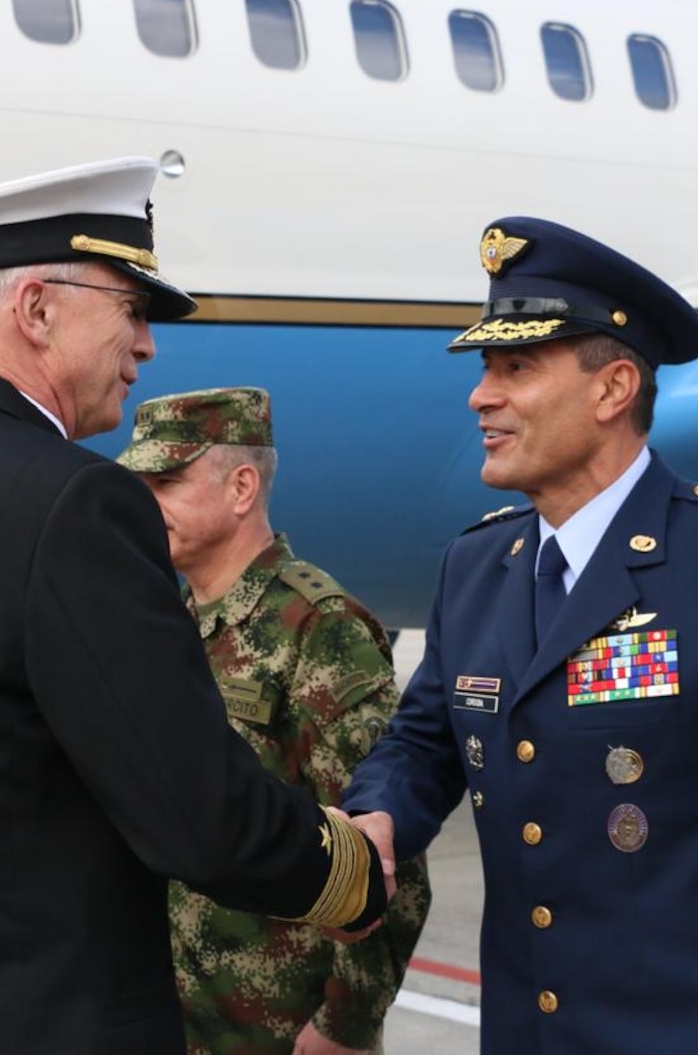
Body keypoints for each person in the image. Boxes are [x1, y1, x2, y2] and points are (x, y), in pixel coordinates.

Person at [0, 156, 388, 1055]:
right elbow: (193, 813)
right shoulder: (77, 503)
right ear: (37, 309)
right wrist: (353, 873)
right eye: (130, 309)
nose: (147, 346)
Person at [343, 217, 698, 1054]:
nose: (480, 395)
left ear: (611, 391)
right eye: (487, 369)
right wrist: (378, 816)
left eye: (516, 368)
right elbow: (426, 742)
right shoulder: (478, 564)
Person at [116, 387, 430, 1055]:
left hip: (276, 1026)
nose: (147, 503)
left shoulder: (318, 628)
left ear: (240, 486)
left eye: (167, 481)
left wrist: (347, 1023)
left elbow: (384, 852)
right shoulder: (165, 621)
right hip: (170, 1012)